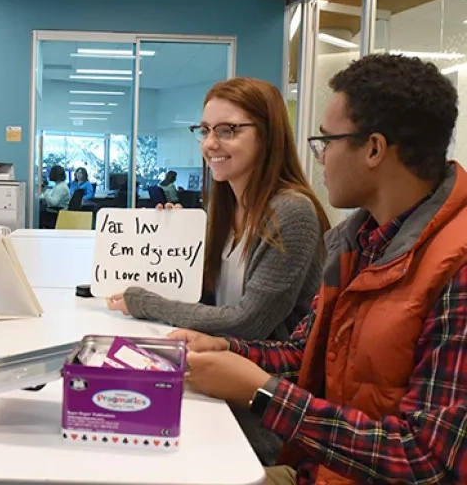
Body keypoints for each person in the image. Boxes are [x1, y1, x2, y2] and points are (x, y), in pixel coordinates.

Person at [172, 54, 467, 484]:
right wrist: (225, 350)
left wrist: (262, 393)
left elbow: (428, 459)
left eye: (327, 142)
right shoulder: (355, 240)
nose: (320, 157)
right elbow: (302, 354)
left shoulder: (455, 267)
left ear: (373, 148)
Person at [107, 78, 330, 344]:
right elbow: (207, 302)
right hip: (220, 363)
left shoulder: (292, 211)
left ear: (267, 136)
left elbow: (248, 323)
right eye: (205, 130)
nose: (210, 143)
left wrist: (146, 304)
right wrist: (175, 246)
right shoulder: (223, 209)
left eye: (227, 131)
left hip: (265, 377)